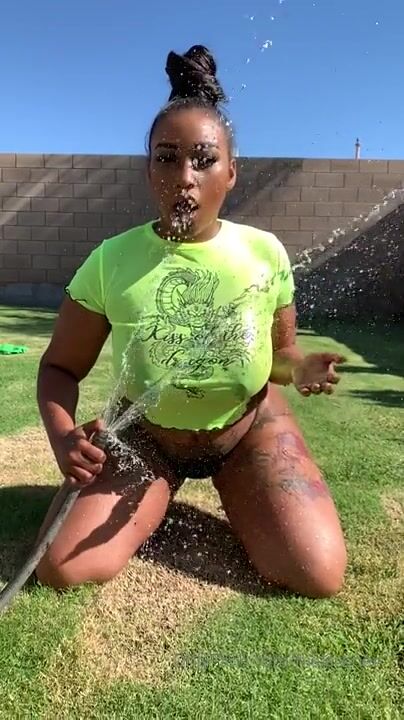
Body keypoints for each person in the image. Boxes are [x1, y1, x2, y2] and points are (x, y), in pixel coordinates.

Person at [36, 45, 347, 598]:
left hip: (246, 431)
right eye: (166, 158)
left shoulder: (265, 253)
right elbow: (59, 366)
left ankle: (231, 488)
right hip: (146, 437)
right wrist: (63, 437)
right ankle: (157, 487)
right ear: (148, 169)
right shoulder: (111, 260)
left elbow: (280, 355)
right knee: (63, 569)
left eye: (204, 160)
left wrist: (298, 368)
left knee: (315, 573)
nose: (185, 177)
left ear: (231, 172)